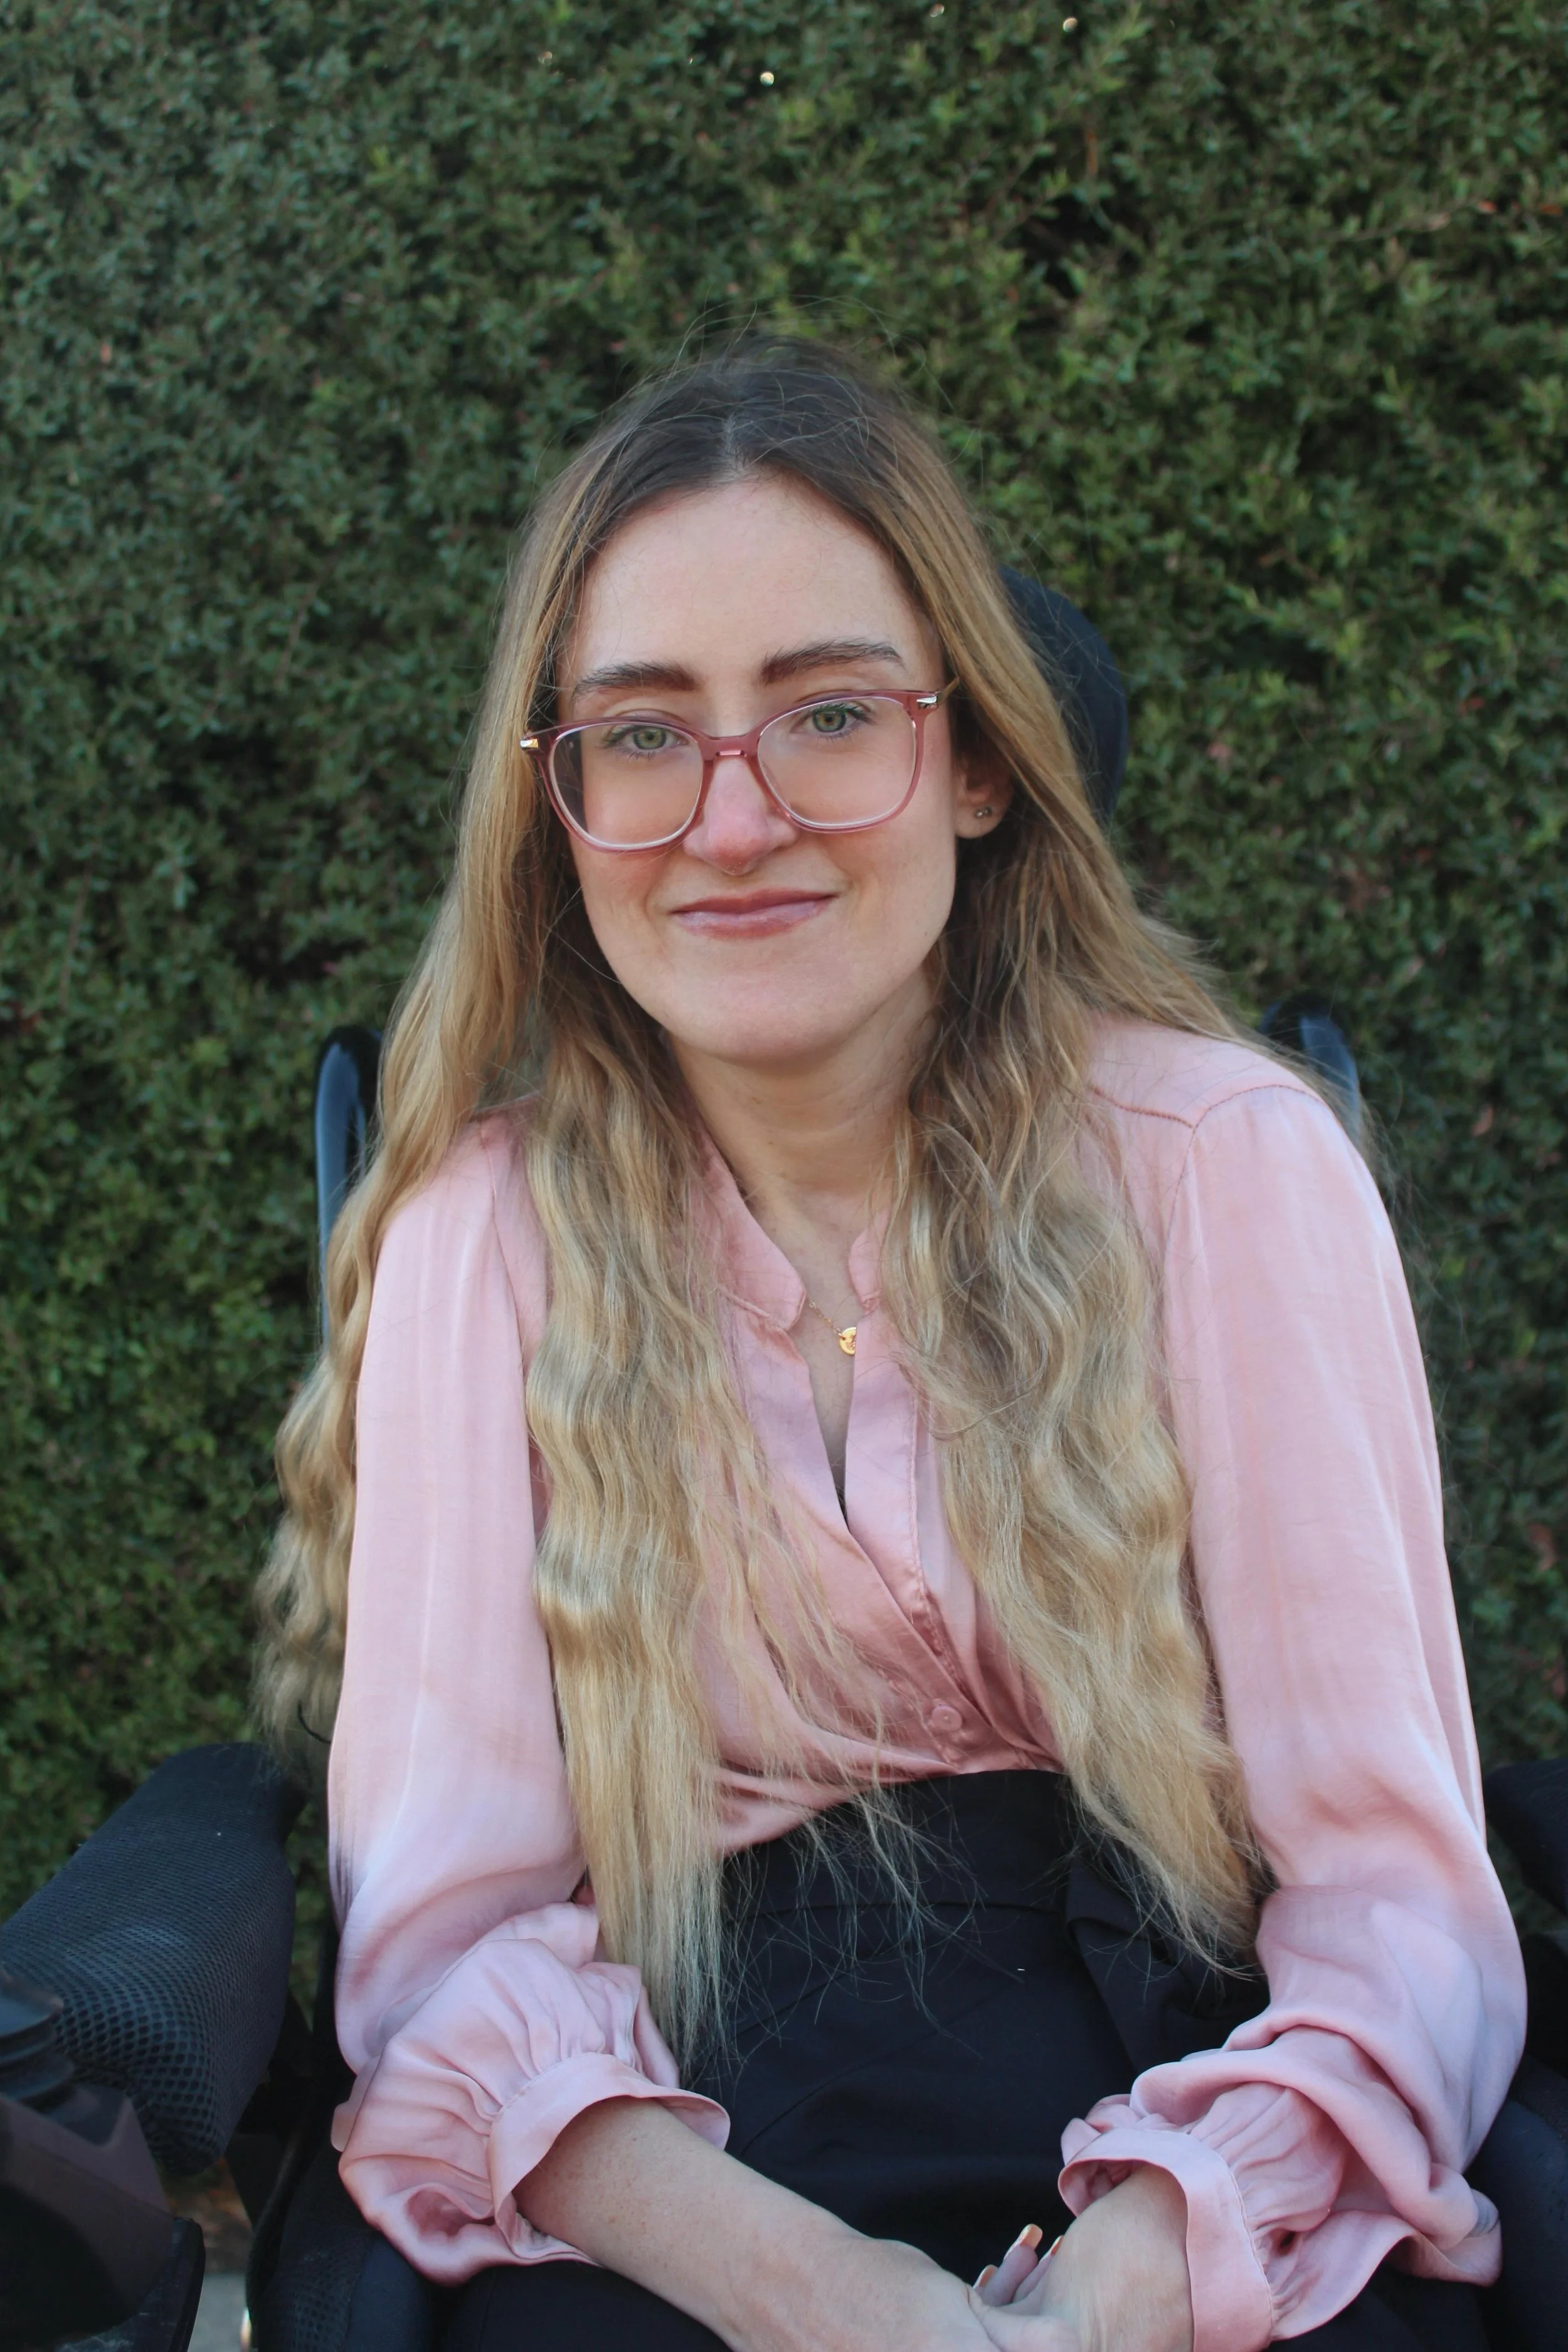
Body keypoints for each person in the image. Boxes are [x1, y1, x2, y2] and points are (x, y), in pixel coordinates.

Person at [257, 343, 1524, 2352]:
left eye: (830, 713)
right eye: (643, 733)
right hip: (686, 2166)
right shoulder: (474, 1242)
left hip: (1195, 2110)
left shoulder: (1227, 1170)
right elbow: (447, 1946)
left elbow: (1393, 1900)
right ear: (558, 802)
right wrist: (826, 2294)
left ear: (976, 760)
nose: (733, 819)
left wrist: (1141, 2260)